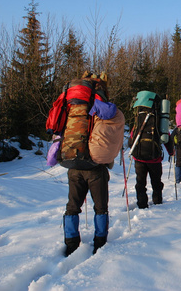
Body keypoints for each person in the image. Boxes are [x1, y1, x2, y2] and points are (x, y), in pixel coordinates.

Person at [62, 72, 123, 256]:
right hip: (95, 167)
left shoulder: (72, 106)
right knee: (101, 206)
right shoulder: (100, 104)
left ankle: (71, 242)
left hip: (73, 162)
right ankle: (100, 241)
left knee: (72, 206)